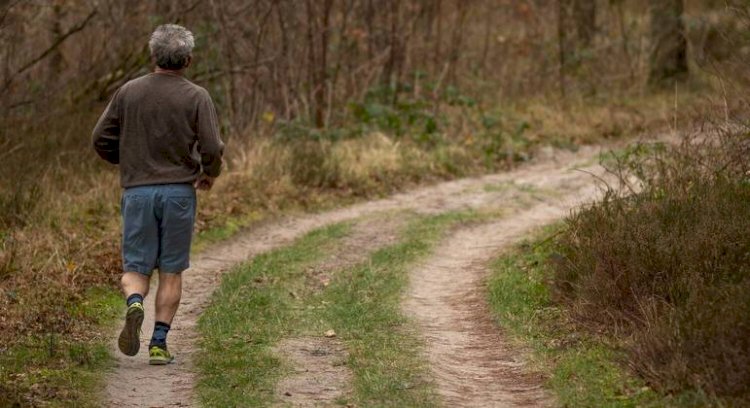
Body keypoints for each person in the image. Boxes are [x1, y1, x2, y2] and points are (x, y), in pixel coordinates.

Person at [92, 24, 224, 365]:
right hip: (179, 192)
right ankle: (158, 344)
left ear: (153, 56)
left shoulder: (128, 92)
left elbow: (100, 139)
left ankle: (134, 302)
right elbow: (211, 146)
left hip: (137, 192)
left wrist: (129, 162)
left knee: (136, 266)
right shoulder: (197, 96)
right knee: (170, 270)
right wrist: (209, 173)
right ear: (188, 60)